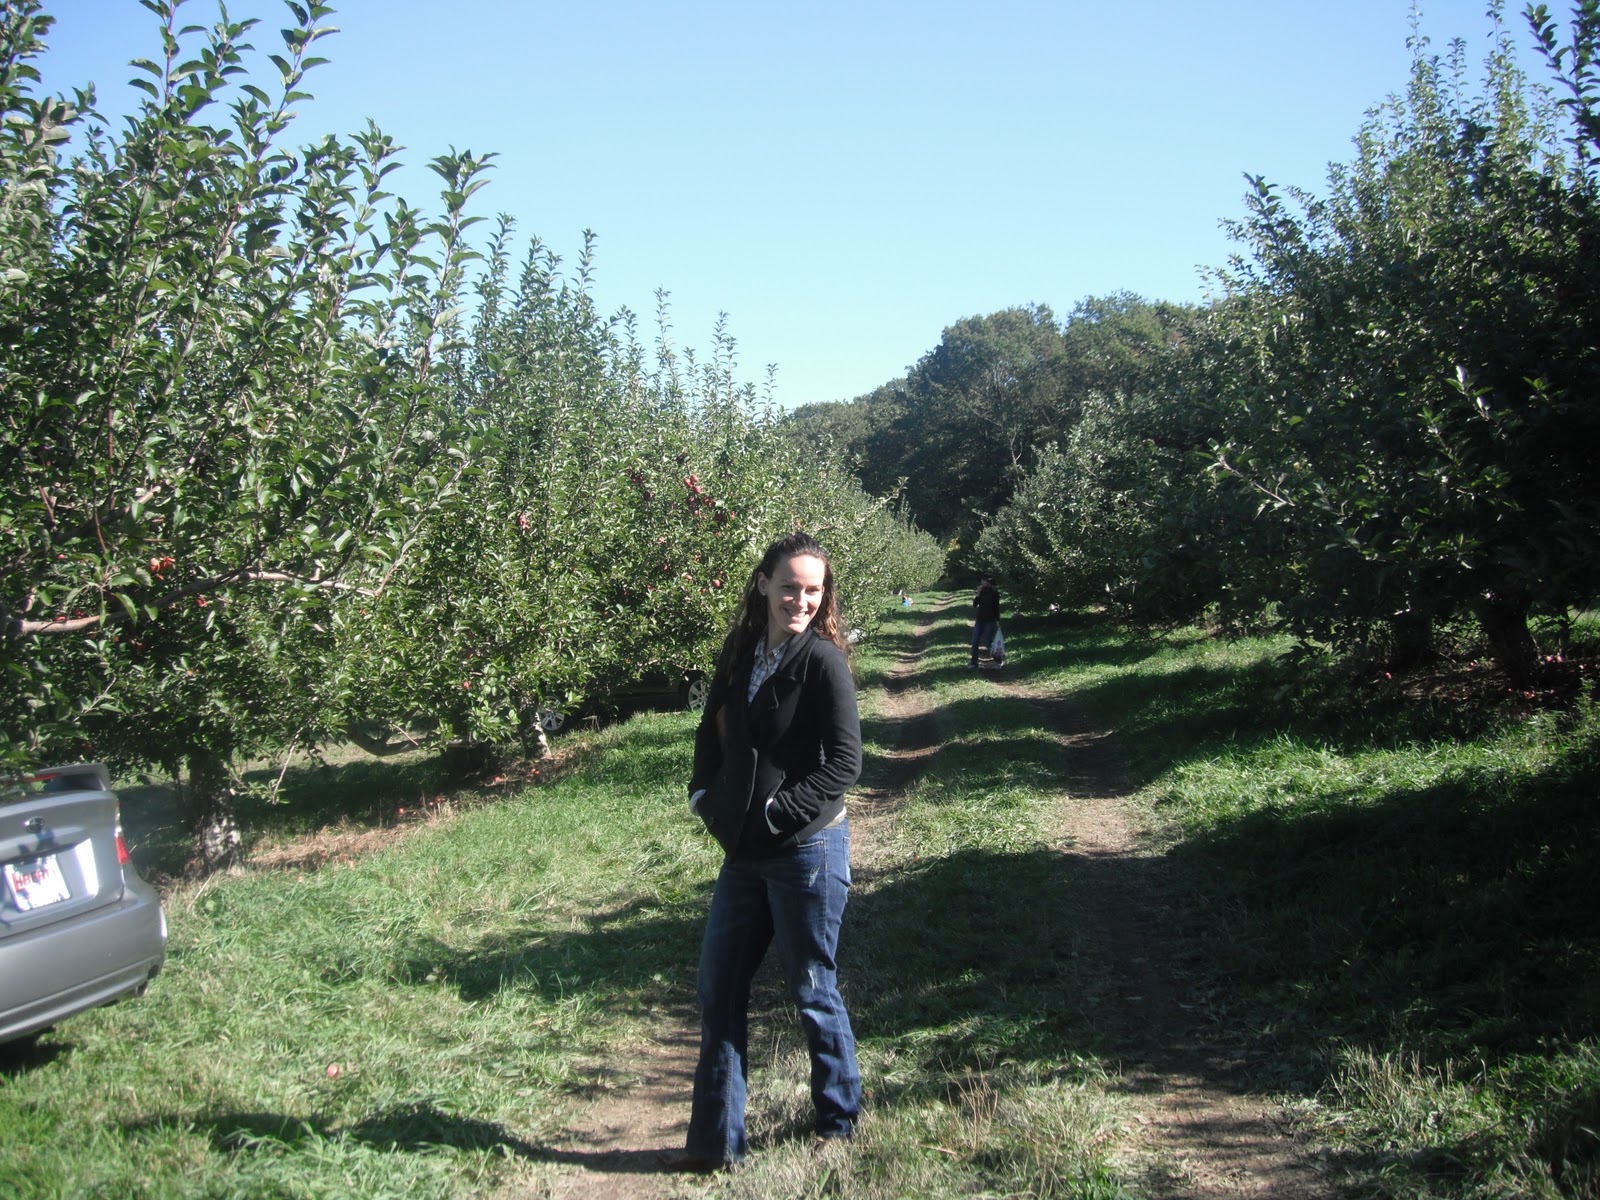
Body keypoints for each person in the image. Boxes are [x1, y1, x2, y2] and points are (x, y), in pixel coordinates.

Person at [679, 531, 863, 1170]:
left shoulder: (822, 662)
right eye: (790, 586)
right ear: (763, 584)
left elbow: (845, 762)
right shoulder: (739, 653)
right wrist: (705, 796)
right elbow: (711, 732)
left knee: (813, 988)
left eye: (814, 589)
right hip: (744, 856)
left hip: (807, 852)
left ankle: (838, 1121)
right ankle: (715, 1145)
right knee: (718, 988)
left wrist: (780, 811)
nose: (802, 600)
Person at [971, 575, 1001, 667]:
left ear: (988, 582)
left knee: (989, 642)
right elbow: (975, 604)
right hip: (980, 619)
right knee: (975, 641)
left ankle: (998, 661)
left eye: (983, 581)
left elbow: (996, 608)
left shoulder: (995, 593)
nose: (981, 583)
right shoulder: (981, 592)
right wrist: (978, 594)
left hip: (990, 620)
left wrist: (997, 620)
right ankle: (974, 662)